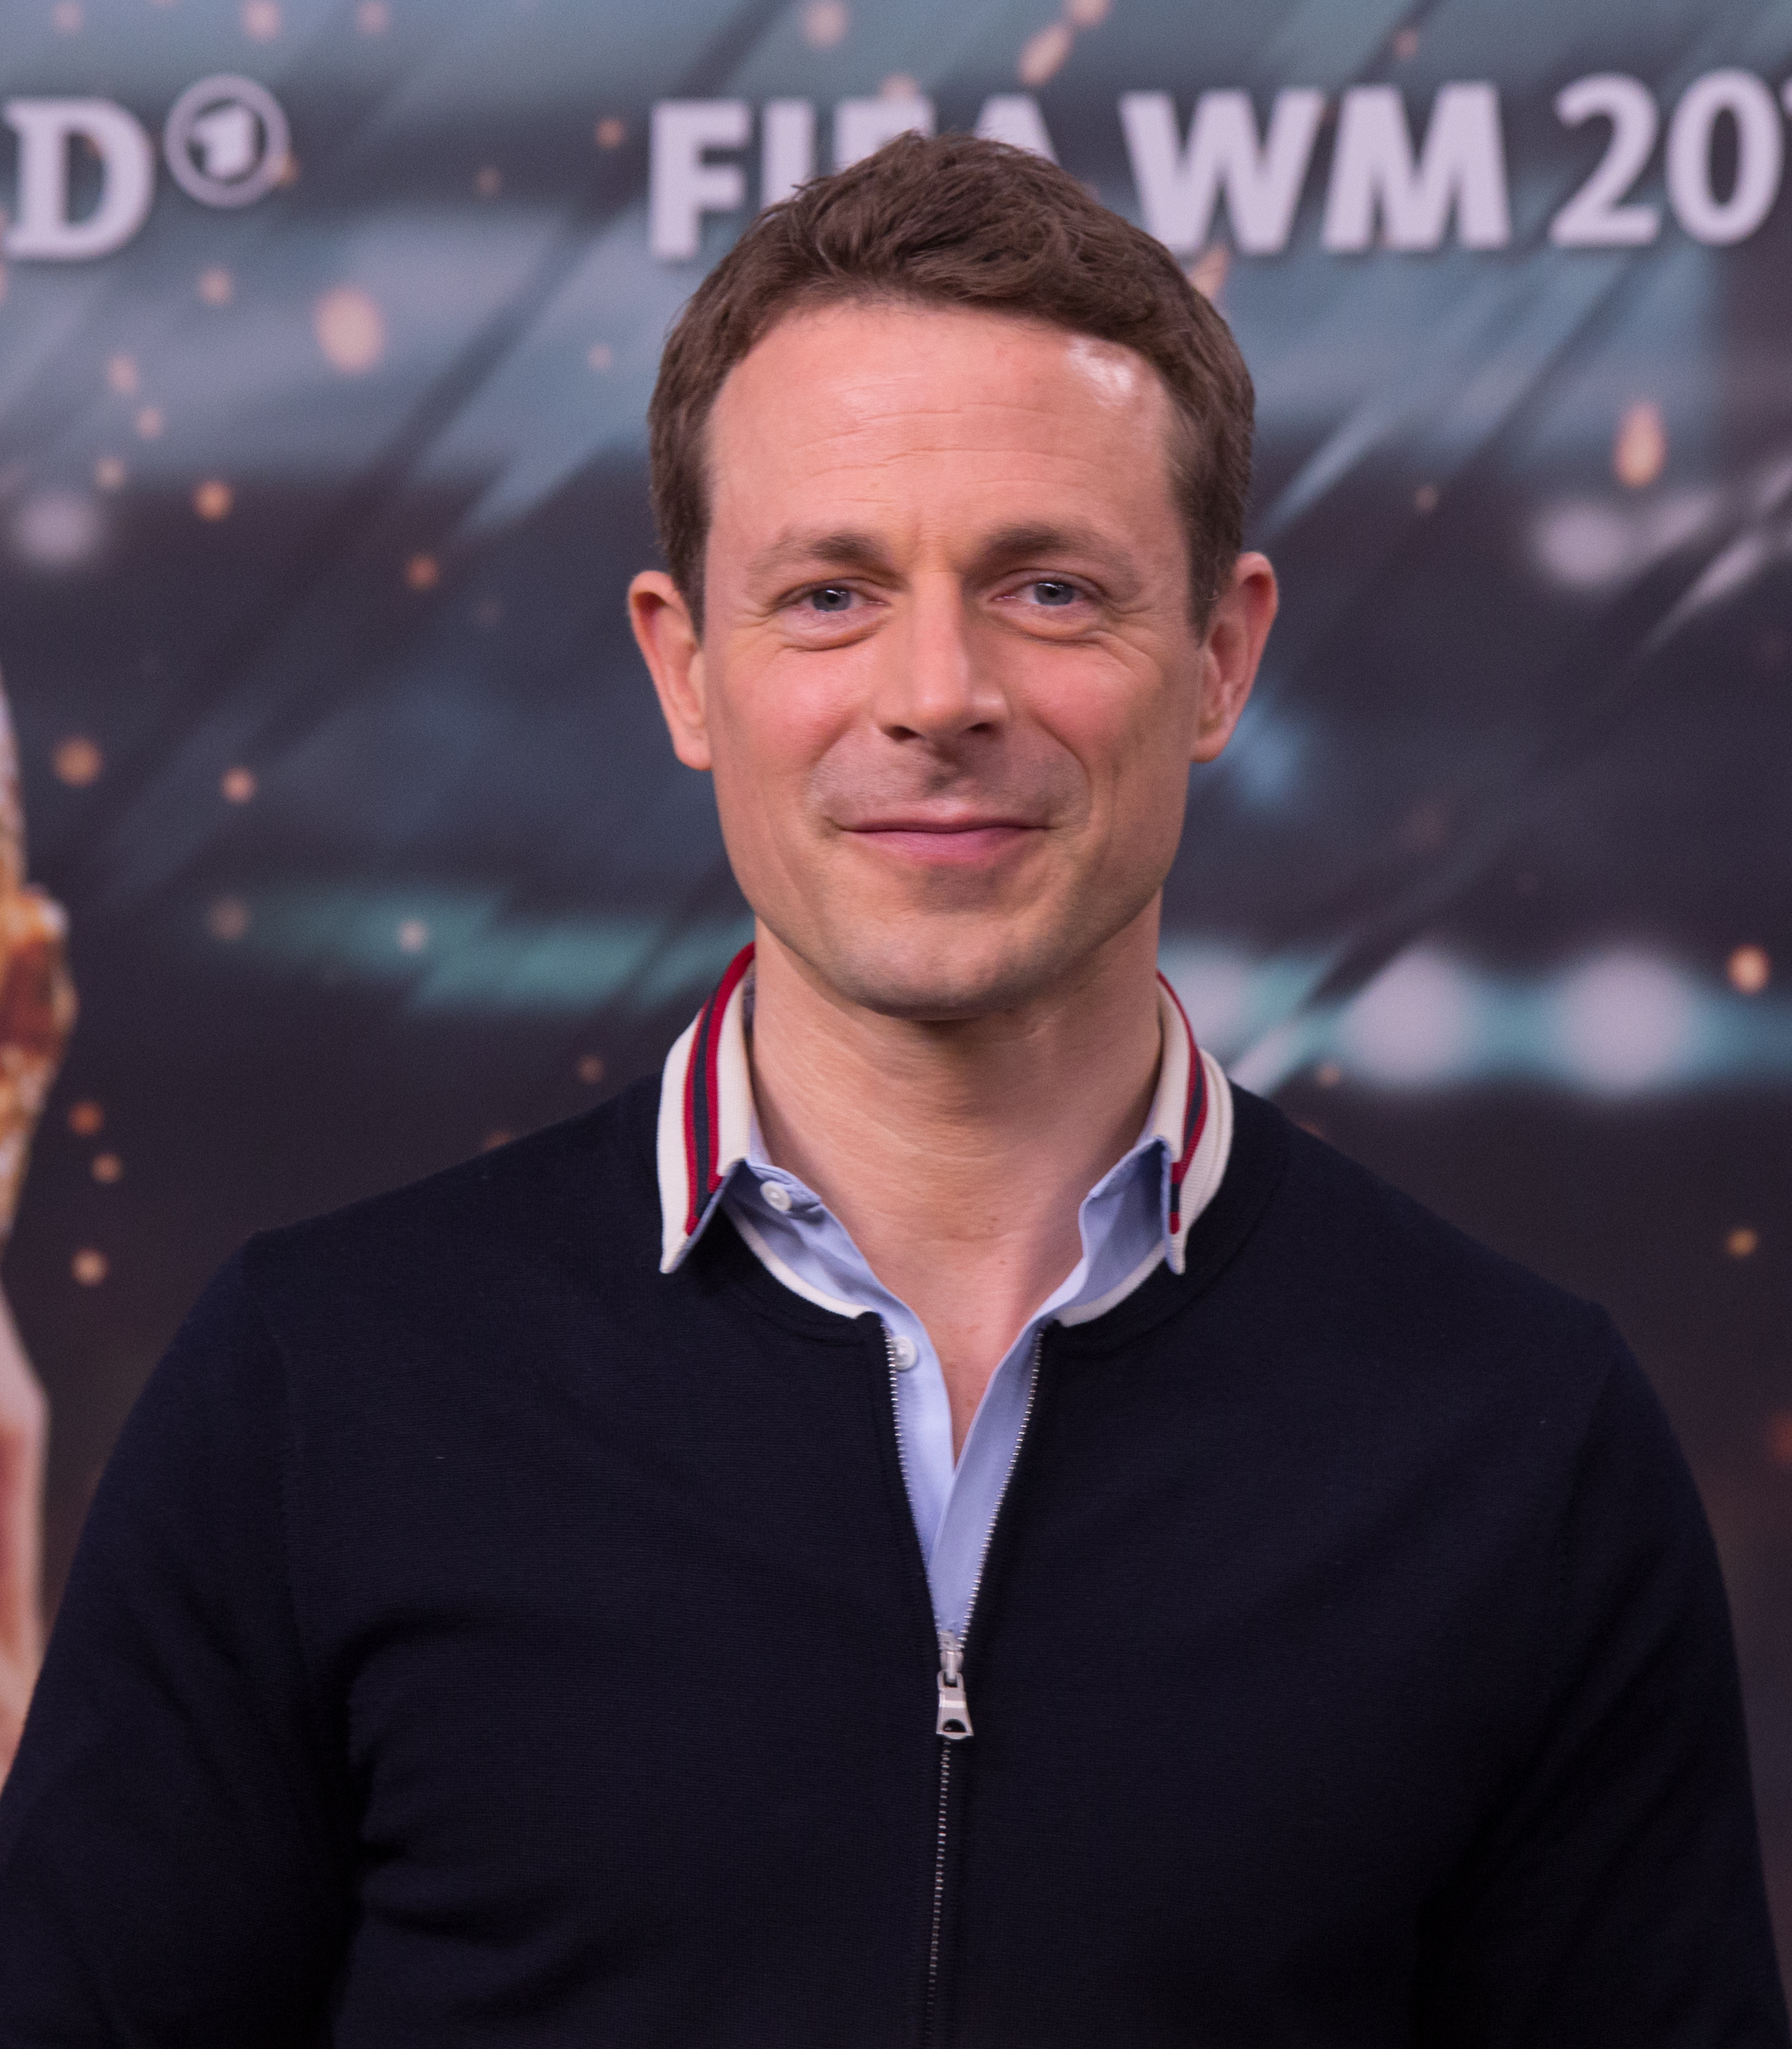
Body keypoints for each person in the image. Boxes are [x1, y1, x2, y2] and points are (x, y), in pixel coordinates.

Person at [0, 132, 1784, 2045]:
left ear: (1221, 655)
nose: (938, 692)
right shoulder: (314, 1389)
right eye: (831, 595)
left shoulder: (1521, 1438)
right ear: (686, 670)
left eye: (1049, 588)